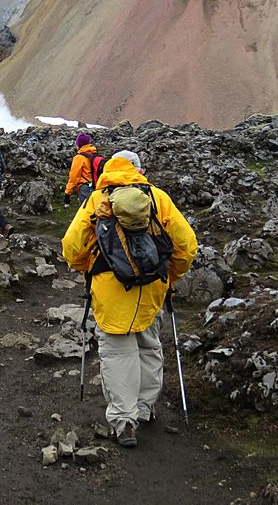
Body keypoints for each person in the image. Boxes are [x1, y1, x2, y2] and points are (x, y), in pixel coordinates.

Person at [61, 152, 197, 449]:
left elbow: (71, 247)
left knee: (118, 354)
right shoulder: (158, 198)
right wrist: (170, 276)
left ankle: (124, 422)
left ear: (108, 170)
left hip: (111, 291)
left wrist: (89, 268)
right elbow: (187, 246)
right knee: (149, 346)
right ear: (139, 170)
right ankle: (145, 410)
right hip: (151, 287)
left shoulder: (97, 200)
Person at [64, 133, 103, 206]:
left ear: (78, 144)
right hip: (96, 186)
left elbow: (74, 177)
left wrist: (67, 193)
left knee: (85, 213)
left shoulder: (79, 157)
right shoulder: (94, 154)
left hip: (85, 189)